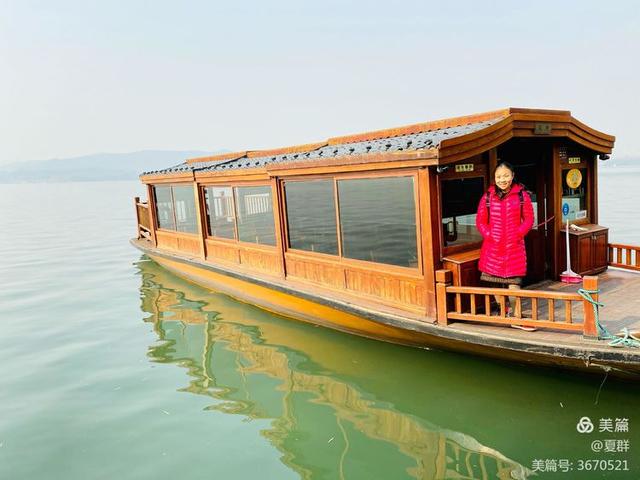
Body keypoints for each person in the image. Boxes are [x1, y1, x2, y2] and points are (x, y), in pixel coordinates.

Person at [476, 161, 535, 329]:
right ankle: (505, 311)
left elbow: (529, 219)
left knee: (514, 283)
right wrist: (489, 235)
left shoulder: (522, 196)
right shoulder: (487, 197)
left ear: (513, 176)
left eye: (506, 176)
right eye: (499, 177)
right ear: (494, 178)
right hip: (492, 247)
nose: (502, 180)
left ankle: (516, 316)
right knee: (494, 281)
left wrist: (518, 234)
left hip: (514, 247)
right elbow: (480, 221)